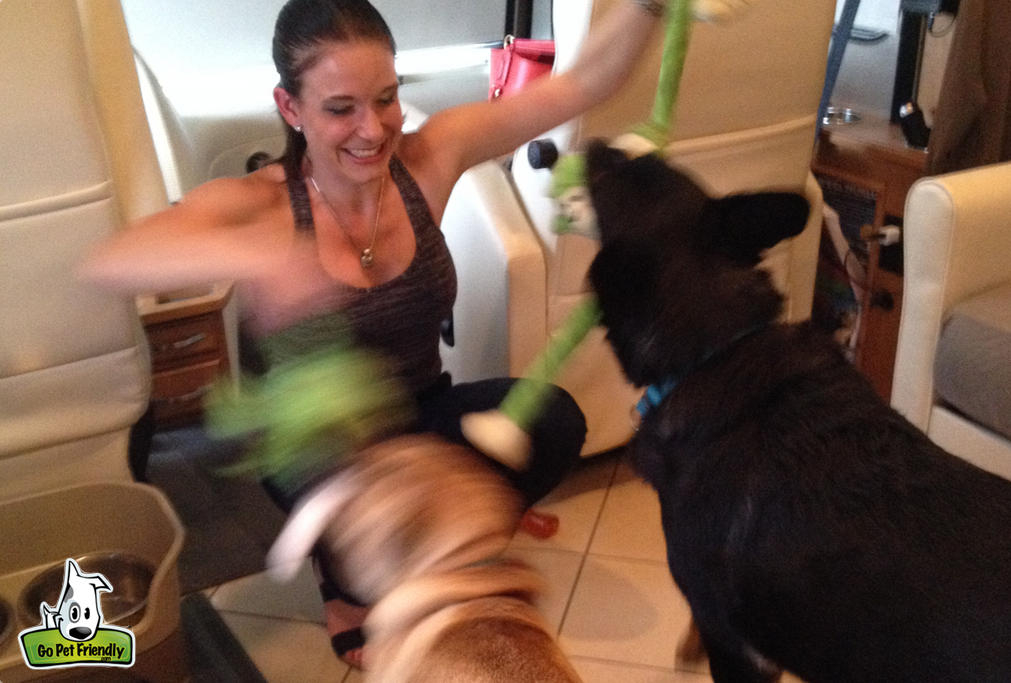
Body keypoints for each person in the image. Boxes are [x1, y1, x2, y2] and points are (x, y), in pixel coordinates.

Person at [83, 0, 667, 668]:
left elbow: (582, 84)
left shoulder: (430, 157)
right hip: (326, 452)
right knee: (368, 526)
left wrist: (650, 6)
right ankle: (347, 588)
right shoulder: (264, 203)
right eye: (341, 108)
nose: (373, 128)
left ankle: (432, 541)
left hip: (419, 410)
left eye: (385, 98)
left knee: (556, 418)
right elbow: (108, 260)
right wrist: (259, 258)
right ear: (291, 106)